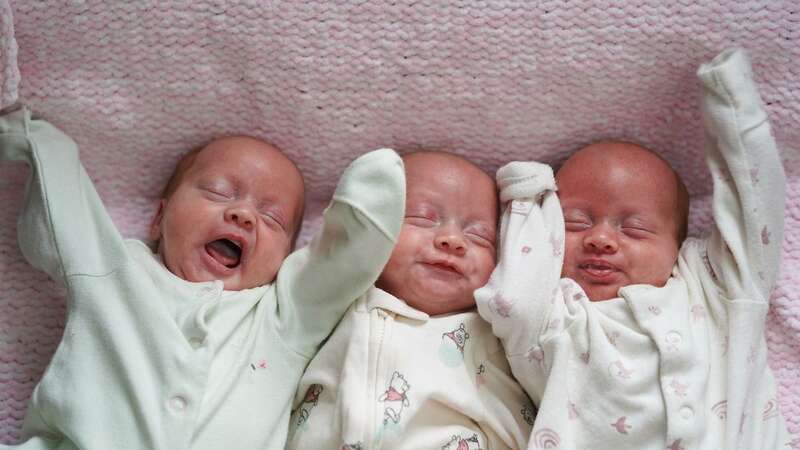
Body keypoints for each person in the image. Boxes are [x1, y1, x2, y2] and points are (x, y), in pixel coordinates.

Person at [0, 108, 405, 450]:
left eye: (272, 218)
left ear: (286, 259)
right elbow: (66, 216)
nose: (243, 215)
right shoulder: (116, 269)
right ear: (159, 219)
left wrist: (371, 202)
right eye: (217, 192)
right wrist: (33, 136)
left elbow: (342, 264)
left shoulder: (282, 316)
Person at [475, 48, 795, 449]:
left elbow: (757, 211)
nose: (601, 239)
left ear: (677, 247)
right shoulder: (553, 318)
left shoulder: (715, 291)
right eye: (576, 223)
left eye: (635, 229)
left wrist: (734, 106)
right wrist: (526, 196)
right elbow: (512, 297)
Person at [285, 151, 533, 450]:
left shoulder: (492, 337)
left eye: (479, 236)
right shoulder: (336, 299)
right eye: (423, 217)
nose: (452, 240)